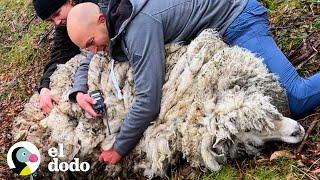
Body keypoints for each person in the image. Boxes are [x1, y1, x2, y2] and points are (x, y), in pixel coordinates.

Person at [67, 0, 320, 164]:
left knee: (295, 98)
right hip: (216, 32)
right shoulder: (112, 14)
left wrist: (119, 148)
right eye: (85, 47)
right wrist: (80, 90)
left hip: (238, 20)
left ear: (101, 20)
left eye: (91, 43)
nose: (92, 51)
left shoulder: (139, 29)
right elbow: (86, 58)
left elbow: (148, 101)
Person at [33, 0, 100, 116]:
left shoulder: (98, 7)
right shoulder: (65, 25)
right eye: (50, 20)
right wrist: (45, 86)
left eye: (57, 14)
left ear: (70, 1)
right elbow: (61, 52)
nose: (57, 22)